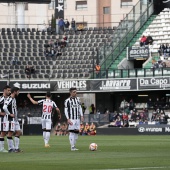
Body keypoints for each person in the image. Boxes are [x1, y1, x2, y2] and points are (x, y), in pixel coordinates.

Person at [3, 87, 21, 153]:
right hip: (10, 119)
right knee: (10, 133)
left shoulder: (14, 99)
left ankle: (16, 148)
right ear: (15, 92)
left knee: (19, 132)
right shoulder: (9, 99)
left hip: (15, 119)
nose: (18, 93)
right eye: (18, 92)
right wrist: (9, 114)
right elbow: (4, 107)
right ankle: (11, 149)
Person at [0, 85, 11, 152]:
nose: (9, 91)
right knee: (3, 132)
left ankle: (3, 148)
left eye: (10, 90)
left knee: (5, 132)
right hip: (2, 118)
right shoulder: (1, 98)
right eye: (8, 90)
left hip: (7, 118)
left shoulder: (9, 99)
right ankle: (1, 148)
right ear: (4, 90)